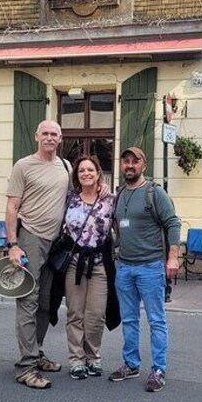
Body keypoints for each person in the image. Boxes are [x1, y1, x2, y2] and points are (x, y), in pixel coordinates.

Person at [5, 120, 109, 389]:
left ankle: (36, 352)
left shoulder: (65, 167)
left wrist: (103, 188)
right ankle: (25, 367)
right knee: (28, 302)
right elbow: (11, 206)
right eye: (46, 133)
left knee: (45, 302)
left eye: (55, 134)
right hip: (30, 239)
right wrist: (12, 245)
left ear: (60, 138)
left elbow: (81, 193)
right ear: (37, 136)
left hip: (56, 244)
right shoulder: (23, 166)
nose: (50, 138)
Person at [108, 146, 181, 392]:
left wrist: (173, 257)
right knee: (128, 319)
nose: (130, 165)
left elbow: (173, 222)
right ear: (121, 166)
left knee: (156, 320)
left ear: (144, 165)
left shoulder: (154, 192)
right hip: (125, 267)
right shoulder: (118, 195)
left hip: (150, 266)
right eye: (125, 161)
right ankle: (131, 364)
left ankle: (158, 369)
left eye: (135, 161)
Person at [48, 156, 120, 380]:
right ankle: (76, 359)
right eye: (81, 171)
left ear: (98, 173)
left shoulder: (110, 199)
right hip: (74, 264)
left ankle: (93, 357)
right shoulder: (69, 198)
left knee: (96, 314)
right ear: (76, 176)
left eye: (90, 170)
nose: (86, 173)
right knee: (74, 312)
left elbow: (120, 230)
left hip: (99, 264)